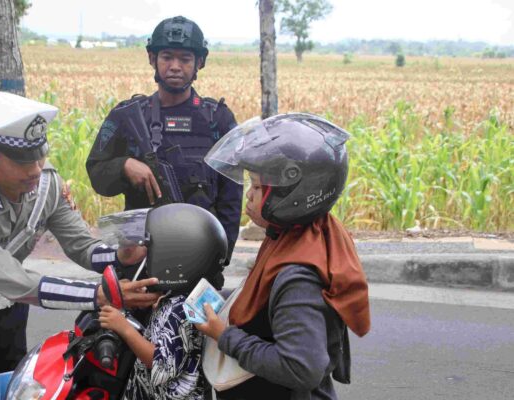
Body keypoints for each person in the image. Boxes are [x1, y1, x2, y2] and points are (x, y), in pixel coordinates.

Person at [0, 91, 160, 399]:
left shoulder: (46, 186)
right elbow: (13, 279)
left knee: (12, 393)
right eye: (22, 161)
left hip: (10, 317)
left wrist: (119, 255)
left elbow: (82, 247)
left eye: (40, 155)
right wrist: (98, 296)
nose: (35, 169)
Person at [195, 114, 372, 399]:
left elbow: (302, 368)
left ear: (291, 193)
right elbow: (263, 301)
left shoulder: (297, 276)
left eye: (256, 186)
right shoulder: (298, 235)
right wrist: (215, 298)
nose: (249, 196)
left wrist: (225, 337)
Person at [86, 16, 243, 268]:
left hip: (201, 254)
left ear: (199, 62)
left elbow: (232, 196)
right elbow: (97, 174)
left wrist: (222, 255)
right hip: (142, 257)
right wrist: (124, 166)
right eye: (167, 56)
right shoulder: (127, 116)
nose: (175, 66)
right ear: (152, 59)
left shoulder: (218, 119)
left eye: (185, 59)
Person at [98, 203, 229, 400]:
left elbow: (160, 364)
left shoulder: (180, 310)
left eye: (150, 251)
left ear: (174, 258)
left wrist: (124, 327)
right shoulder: (191, 297)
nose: (147, 256)